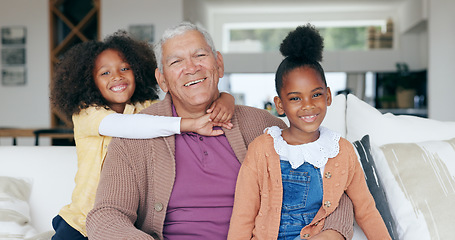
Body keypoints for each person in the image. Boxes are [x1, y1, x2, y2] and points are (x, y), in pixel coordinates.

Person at [86, 22, 355, 240]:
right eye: (176, 61)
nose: (191, 68)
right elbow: (107, 215)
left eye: (200, 55)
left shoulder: (264, 127)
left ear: (219, 65)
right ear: (162, 80)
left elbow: (331, 186)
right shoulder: (137, 134)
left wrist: (332, 233)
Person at [49, 30, 235, 239]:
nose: (117, 76)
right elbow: (125, 125)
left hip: (125, 224)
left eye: (125, 68)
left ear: (137, 71)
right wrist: (189, 124)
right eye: (105, 73)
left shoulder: (144, 107)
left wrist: (226, 98)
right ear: (88, 81)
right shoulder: (86, 114)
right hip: (81, 221)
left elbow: (183, 100)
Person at [227, 24, 391, 240]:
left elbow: (366, 211)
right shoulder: (262, 149)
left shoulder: (341, 151)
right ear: (280, 104)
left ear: (328, 96)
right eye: (295, 98)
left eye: (316, 95)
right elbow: (243, 215)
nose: (308, 105)